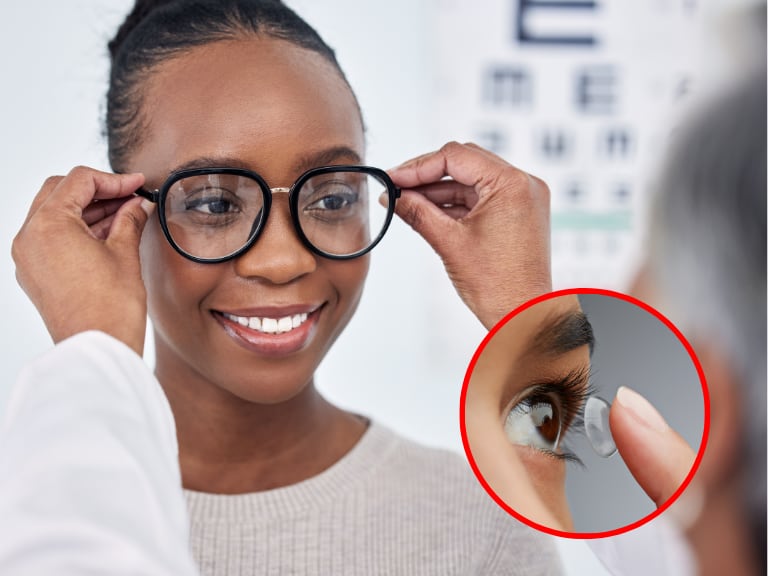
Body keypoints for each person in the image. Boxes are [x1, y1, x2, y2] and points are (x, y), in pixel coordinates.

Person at [3, 0, 561, 574]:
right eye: (214, 202)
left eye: (332, 198)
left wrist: (531, 317)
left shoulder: (479, 530)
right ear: (115, 212)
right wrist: (97, 349)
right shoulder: (22, 510)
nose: (281, 260)